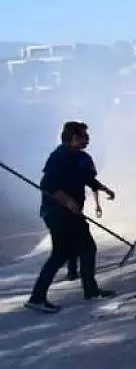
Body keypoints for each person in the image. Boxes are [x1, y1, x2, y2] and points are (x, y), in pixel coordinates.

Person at [25, 121, 118, 314]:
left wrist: (103, 188)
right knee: (73, 250)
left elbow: (86, 179)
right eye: (84, 136)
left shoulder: (76, 157)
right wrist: (68, 201)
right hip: (59, 214)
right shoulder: (60, 157)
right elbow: (48, 185)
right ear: (74, 138)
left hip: (68, 214)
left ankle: (87, 291)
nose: (88, 140)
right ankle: (39, 297)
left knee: (76, 250)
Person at [63, 156, 104, 282]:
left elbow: (93, 184)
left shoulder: (82, 162)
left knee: (72, 242)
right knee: (86, 246)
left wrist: (98, 204)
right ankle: (87, 284)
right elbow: (92, 183)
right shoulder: (72, 164)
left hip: (73, 211)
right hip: (65, 212)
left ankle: (73, 272)